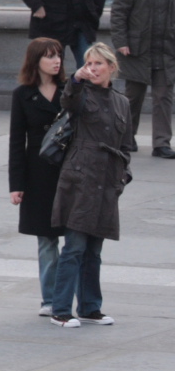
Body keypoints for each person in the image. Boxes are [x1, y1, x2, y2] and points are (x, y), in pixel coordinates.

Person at [49, 43, 132, 327]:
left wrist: (122, 177)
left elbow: (126, 144)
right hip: (80, 178)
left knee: (94, 250)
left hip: (107, 180)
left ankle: (89, 307)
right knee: (74, 247)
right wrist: (75, 79)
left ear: (111, 67)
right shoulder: (80, 93)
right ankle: (60, 309)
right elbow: (68, 101)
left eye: (99, 64)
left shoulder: (122, 101)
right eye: (89, 63)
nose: (93, 68)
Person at [8, 37, 68, 317]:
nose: (56, 60)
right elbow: (16, 142)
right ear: (36, 61)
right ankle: (50, 298)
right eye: (49, 56)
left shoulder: (70, 90)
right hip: (38, 174)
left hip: (69, 171)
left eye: (58, 55)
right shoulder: (22, 94)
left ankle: (69, 297)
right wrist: (17, 185)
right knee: (46, 239)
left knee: (76, 238)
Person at [110, 0, 175, 160]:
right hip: (136, 50)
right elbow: (119, 12)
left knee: (164, 97)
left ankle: (162, 144)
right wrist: (121, 42)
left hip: (166, 50)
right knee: (132, 98)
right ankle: (128, 138)